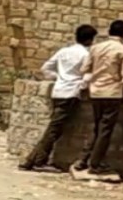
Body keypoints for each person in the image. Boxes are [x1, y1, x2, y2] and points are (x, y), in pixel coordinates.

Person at [19, 24, 98, 172]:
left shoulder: (64, 51)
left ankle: (35, 159)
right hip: (71, 93)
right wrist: (80, 85)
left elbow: (45, 68)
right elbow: (87, 76)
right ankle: (33, 160)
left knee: (56, 127)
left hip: (58, 91)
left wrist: (59, 77)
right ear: (90, 40)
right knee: (54, 129)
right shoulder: (86, 55)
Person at [75, 20, 123, 174]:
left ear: (109, 31)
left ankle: (83, 160)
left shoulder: (95, 48)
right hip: (112, 93)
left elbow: (84, 68)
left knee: (97, 127)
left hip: (95, 91)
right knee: (105, 130)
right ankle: (95, 163)